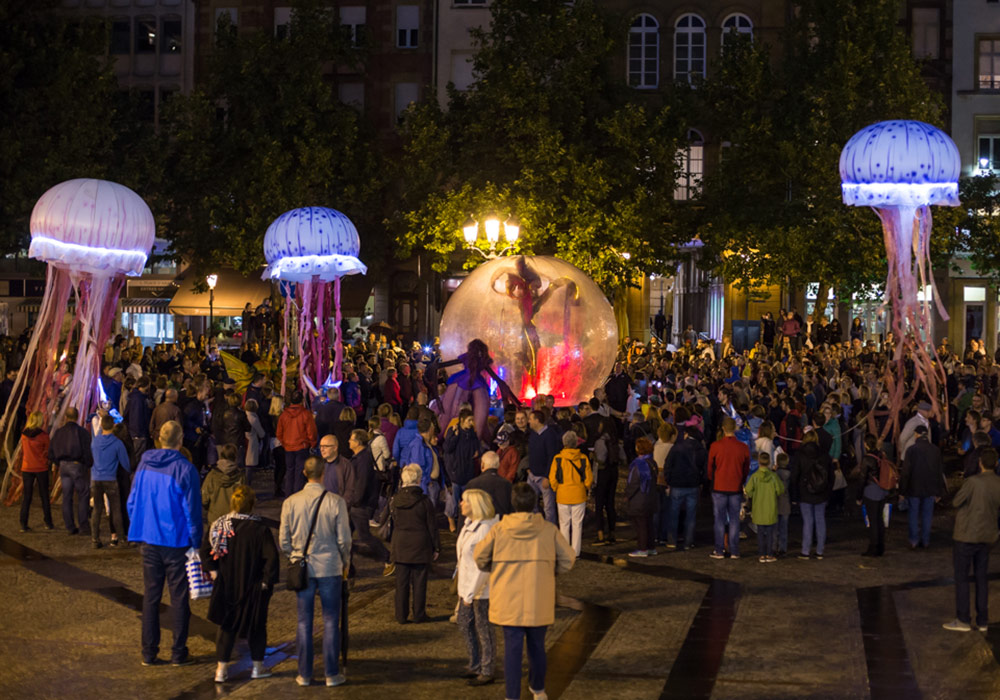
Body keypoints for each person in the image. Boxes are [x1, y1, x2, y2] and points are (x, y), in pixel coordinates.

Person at [474, 482, 576, 700]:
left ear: (513, 504)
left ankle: (512, 696)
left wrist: (494, 568)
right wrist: (551, 570)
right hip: (538, 596)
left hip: (508, 597)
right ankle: (538, 689)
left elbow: (480, 557)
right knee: (537, 646)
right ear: (534, 504)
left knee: (512, 649)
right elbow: (568, 559)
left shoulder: (499, 530)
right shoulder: (549, 530)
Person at [127, 420, 202, 666]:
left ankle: (149, 652)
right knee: (179, 597)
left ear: (160, 439)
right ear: (180, 442)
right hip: (176, 540)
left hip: (149, 538)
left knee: (151, 596)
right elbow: (192, 511)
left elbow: (132, 501)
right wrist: (196, 540)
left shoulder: (144, 464)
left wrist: (142, 523)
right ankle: (178, 651)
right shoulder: (185, 469)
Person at [279, 456, 352, 687]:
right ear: (323, 474)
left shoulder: (290, 502)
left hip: (303, 567)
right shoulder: (335, 502)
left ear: (304, 473)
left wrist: (294, 555)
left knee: (303, 622)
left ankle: (305, 673)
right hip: (330, 566)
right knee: (331, 620)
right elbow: (344, 539)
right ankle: (332, 673)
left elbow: (283, 540)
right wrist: (345, 561)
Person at [204, 485, 279, 683]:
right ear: (252, 505)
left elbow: (206, 550)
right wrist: (266, 582)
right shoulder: (259, 529)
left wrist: (214, 571)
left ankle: (221, 669)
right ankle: (257, 667)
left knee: (226, 627)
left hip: (227, 584)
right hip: (252, 587)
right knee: (257, 626)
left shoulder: (219, 525)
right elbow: (271, 558)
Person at [943, 448, 1000, 632]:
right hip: (987, 535)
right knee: (981, 578)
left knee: (962, 578)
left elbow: (956, 501)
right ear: (996, 464)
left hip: (967, 535)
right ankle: (983, 620)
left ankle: (963, 619)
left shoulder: (973, 482)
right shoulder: (998, 483)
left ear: (980, 462)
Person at [455, 489, 500, 686]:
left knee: (484, 629)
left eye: (464, 501)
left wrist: (470, 594)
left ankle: (487, 669)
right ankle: (475, 664)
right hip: (468, 587)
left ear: (475, 505)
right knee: (465, 623)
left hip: (481, 589)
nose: (460, 504)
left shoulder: (484, 529)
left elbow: (484, 566)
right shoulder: (470, 525)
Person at [390, 464, 441, 624]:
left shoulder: (395, 500)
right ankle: (419, 613)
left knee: (401, 582)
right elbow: (432, 526)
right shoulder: (425, 502)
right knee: (419, 582)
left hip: (400, 544)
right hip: (420, 544)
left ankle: (401, 615)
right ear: (419, 480)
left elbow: (393, 522)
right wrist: (436, 546)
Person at [344, 429, 393, 576]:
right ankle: (348, 567)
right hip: (356, 504)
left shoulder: (363, 459)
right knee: (345, 536)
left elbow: (361, 483)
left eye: (351, 439)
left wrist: (355, 501)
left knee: (364, 536)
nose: (348, 441)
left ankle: (388, 558)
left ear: (358, 443)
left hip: (360, 505)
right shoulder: (359, 457)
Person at [707, 417, 750, 559]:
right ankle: (734, 550)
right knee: (734, 520)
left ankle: (719, 549)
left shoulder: (715, 446)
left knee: (719, 519)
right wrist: (741, 480)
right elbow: (746, 469)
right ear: (735, 429)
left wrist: (712, 479)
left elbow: (710, 467)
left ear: (723, 429)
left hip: (719, 486)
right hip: (735, 486)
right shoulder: (743, 448)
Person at [790, 430, 834, 560]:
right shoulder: (825, 455)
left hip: (805, 492)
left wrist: (794, 495)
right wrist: (828, 491)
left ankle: (805, 551)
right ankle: (820, 551)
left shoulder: (800, 455)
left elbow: (794, 476)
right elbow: (831, 476)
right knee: (820, 520)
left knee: (808, 522)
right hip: (821, 492)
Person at [48, 407, 92, 535]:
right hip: (77, 465)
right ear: (77, 417)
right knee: (83, 495)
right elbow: (87, 450)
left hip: (63, 466)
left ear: (66, 417)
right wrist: (87, 464)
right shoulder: (81, 432)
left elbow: (51, 452)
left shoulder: (59, 432)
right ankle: (83, 525)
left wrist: (59, 462)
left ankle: (70, 526)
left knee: (67, 496)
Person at [90, 414, 132, 548]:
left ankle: (95, 539)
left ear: (101, 425)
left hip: (96, 478)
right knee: (116, 509)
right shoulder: (117, 443)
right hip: (111, 478)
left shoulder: (95, 441)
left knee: (97, 509)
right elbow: (126, 463)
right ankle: (122, 539)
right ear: (113, 426)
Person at [548, 430, 592, 556]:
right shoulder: (583, 458)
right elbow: (588, 479)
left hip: (563, 494)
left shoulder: (558, 459)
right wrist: (585, 487)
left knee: (564, 524)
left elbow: (552, 478)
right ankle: (575, 552)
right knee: (577, 524)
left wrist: (557, 488)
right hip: (578, 494)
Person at [901, 424, 944, 549]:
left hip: (914, 487)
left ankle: (914, 540)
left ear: (916, 434)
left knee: (914, 514)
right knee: (927, 515)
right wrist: (939, 491)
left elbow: (906, 472)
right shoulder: (935, 450)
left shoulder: (911, 450)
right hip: (930, 488)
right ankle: (925, 540)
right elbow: (939, 471)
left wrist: (902, 490)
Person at [664, 423, 706, 550]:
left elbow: (668, 464)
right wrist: (701, 482)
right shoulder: (700, 449)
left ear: (686, 434)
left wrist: (669, 480)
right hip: (693, 484)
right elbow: (704, 468)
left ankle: (672, 540)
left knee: (673, 513)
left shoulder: (677, 447)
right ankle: (688, 541)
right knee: (691, 515)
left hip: (677, 483)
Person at [744, 452, 785, 563]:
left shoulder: (755, 477)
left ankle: (761, 554)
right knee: (771, 533)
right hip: (771, 509)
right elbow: (780, 490)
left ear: (759, 462)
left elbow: (748, 491)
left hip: (758, 509)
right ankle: (769, 554)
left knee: (760, 533)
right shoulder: (773, 476)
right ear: (769, 462)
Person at [276, 389, 318, 498]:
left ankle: (289, 495)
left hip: (289, 447)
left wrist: (284, 442)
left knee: (290, 471)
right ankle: (297, 495)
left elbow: (279, 432)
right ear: (302, 400)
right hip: (301, 446)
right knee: (299, 472)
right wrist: (312, 443)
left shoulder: (284, 415)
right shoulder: (305, 414)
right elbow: (311, 432)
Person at [18, 410, 53, 532]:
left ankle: (23, 522)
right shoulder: (43, 436)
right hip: (40, 467)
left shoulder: (24, 435)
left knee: (27, 496)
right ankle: (48, 522)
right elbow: (47, 451)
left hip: (27, 467)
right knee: (44, 495)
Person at [202, 444, 247, 535]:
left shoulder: (212, 475)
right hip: (233, 520)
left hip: (215, 519)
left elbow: (204, 498)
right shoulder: (240, 476)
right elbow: (244, 499)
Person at [625, 437, 659, 558]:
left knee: (640, 525)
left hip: (640, 499)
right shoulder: (652, 462)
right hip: (650, 497)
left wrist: (627, 494)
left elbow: (633, 483)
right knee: (648, 523)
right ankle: (651, 547)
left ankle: (642, 548)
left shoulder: (639, 464)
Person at [527, 409, 560, 524]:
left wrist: (547, 476)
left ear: (537, 420)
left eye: (530, 419)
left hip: (544, 477)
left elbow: (552, 457)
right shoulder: (533, 435)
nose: (528, 422)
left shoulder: (549, 435)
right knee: (531, 504)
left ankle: (550, 532)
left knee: (548, 508)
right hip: (532, 475)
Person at [466, 450, 513, 517]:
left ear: (482, 465)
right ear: (498, 465)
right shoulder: (507, 485)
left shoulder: (472, 484)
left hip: (480, 524)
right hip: (501, 525)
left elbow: (467, 511)